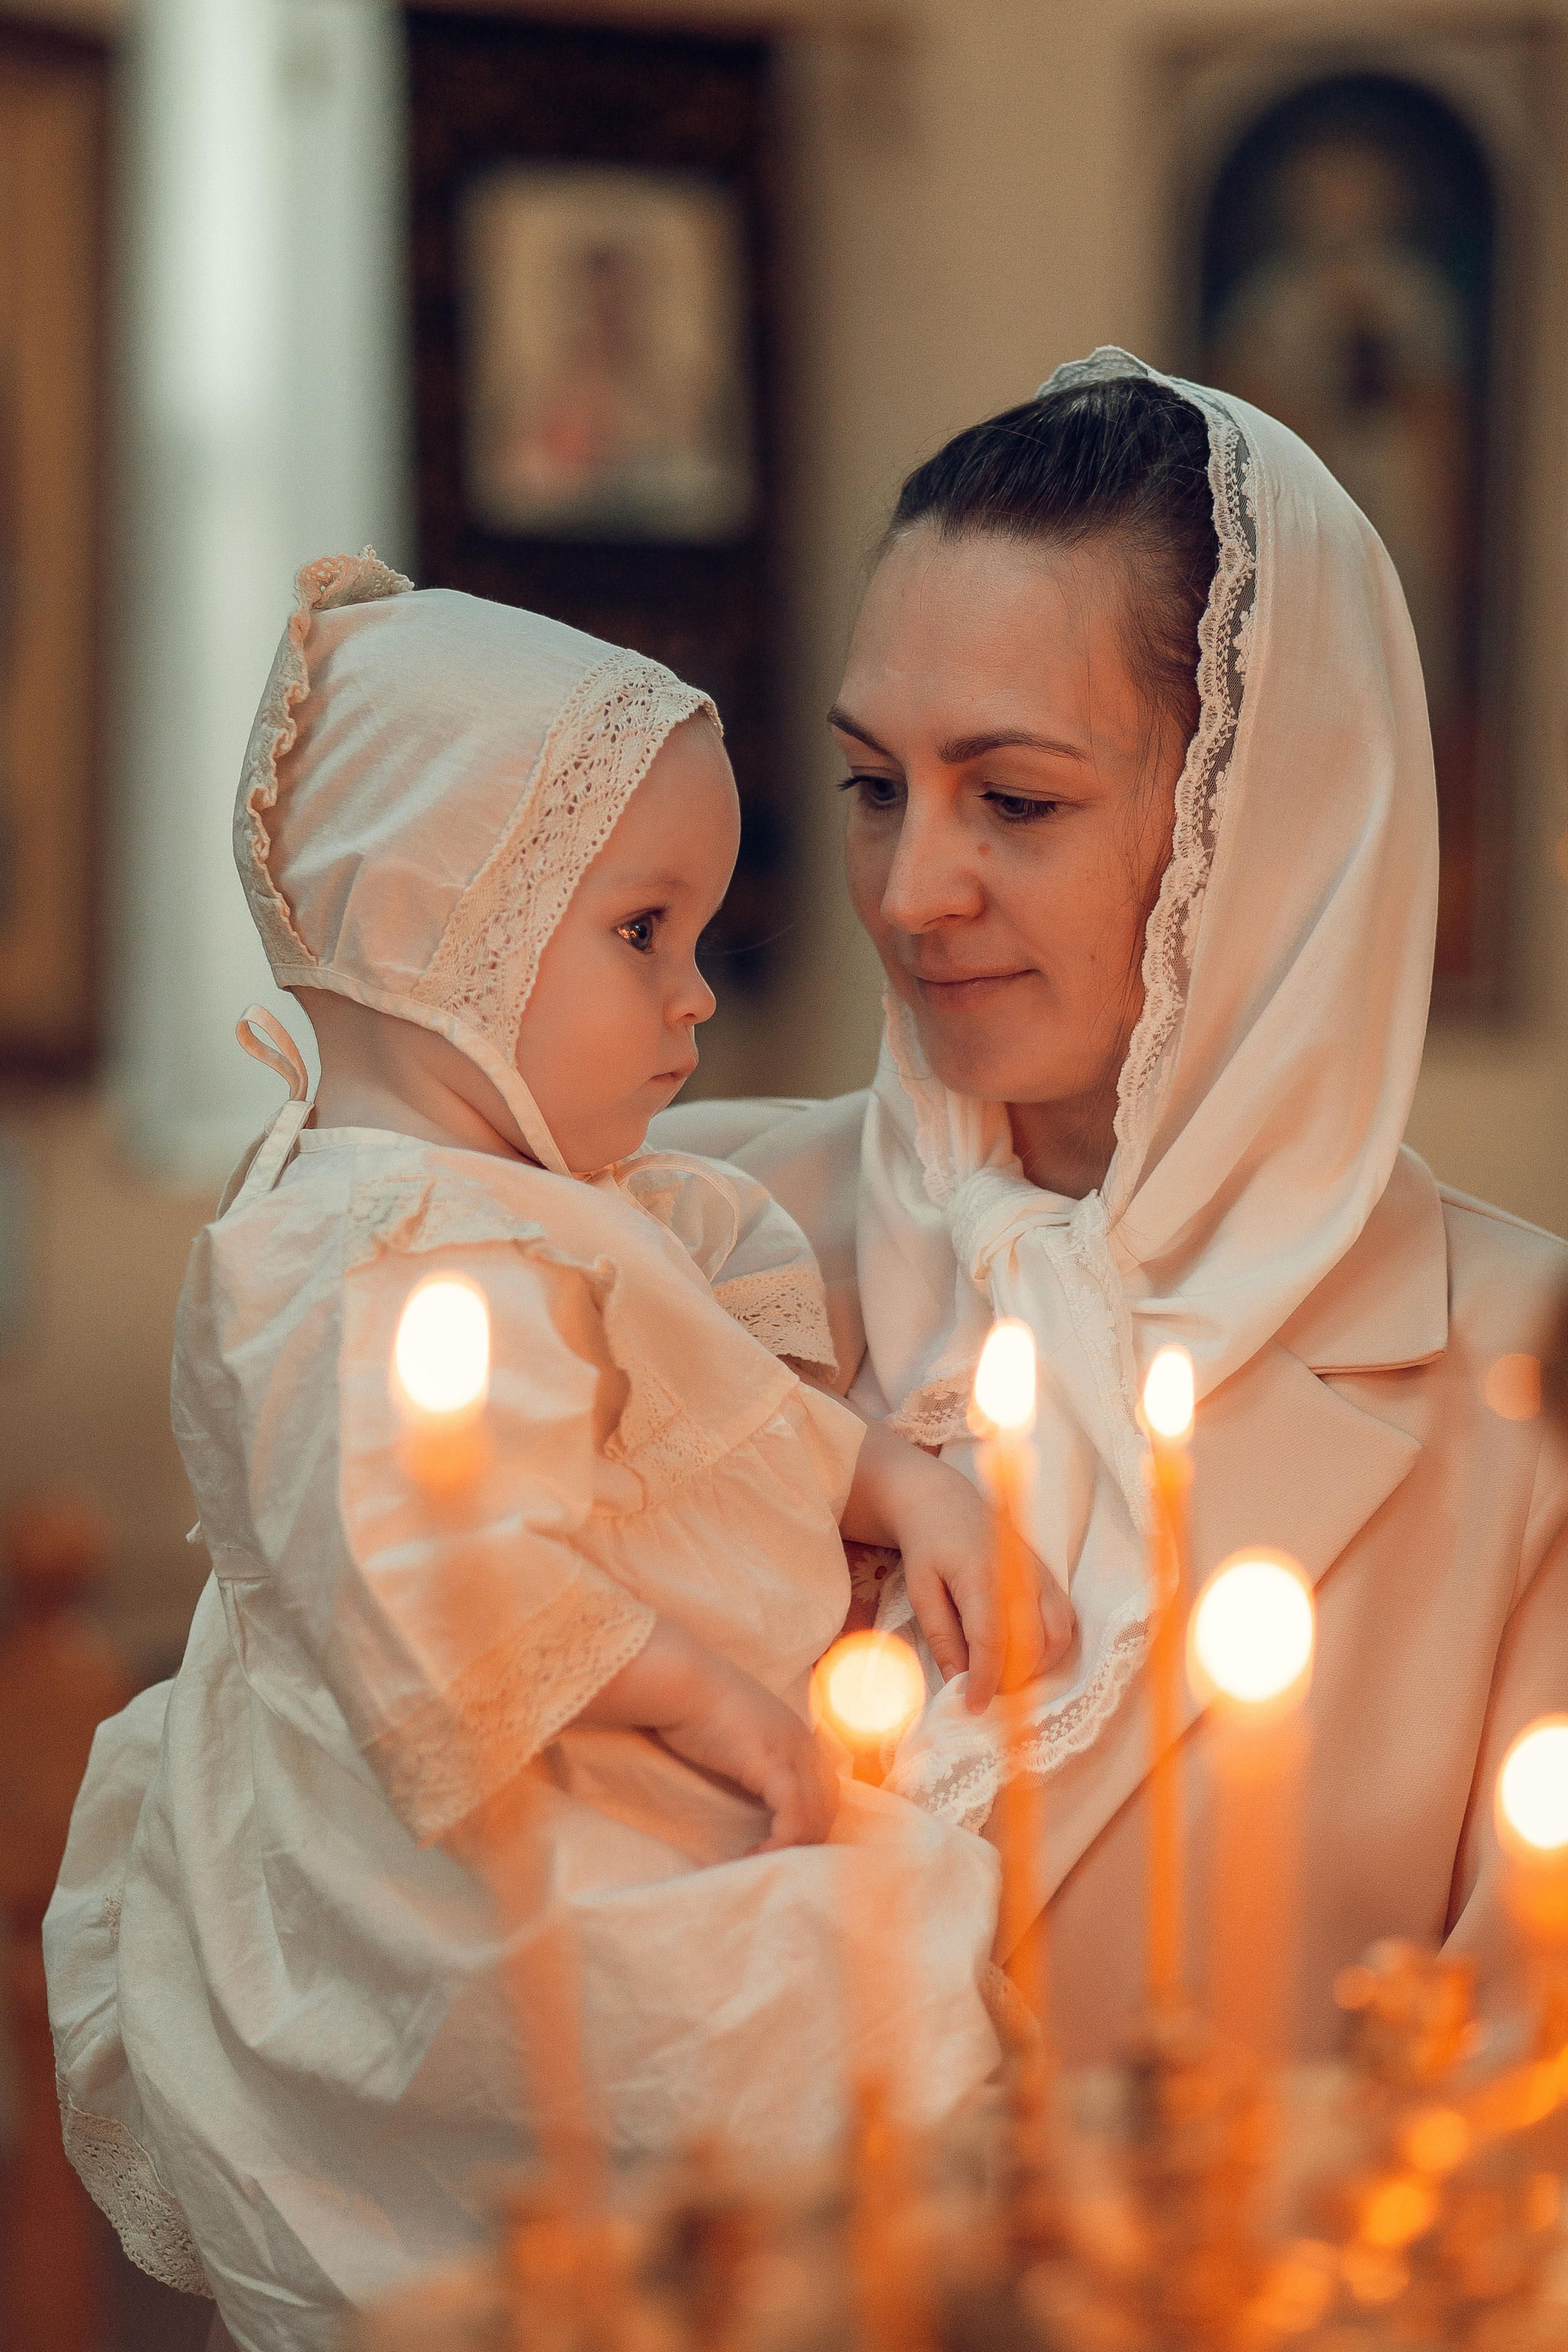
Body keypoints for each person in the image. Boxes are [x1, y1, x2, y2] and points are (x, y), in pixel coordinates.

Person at [45, 556, 1072, 2352]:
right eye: (640, 934)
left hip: (597, 1747)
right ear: (441, 936)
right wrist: (709, 1701)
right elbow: (425, 1565)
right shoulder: (365, 1255)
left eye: (699, 938)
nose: (695, 998)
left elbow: (724, 1412)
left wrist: (904, 1484)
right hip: (471, 1823)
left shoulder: (563, 1206)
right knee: (823, 2004)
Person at [653, 347, 1568, 2060]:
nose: (912, 891)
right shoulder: (677, 1229)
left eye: (1014, 800)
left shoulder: (1526, 1397)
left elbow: (1520, 2143)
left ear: (1274, 825)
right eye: (874, 787)